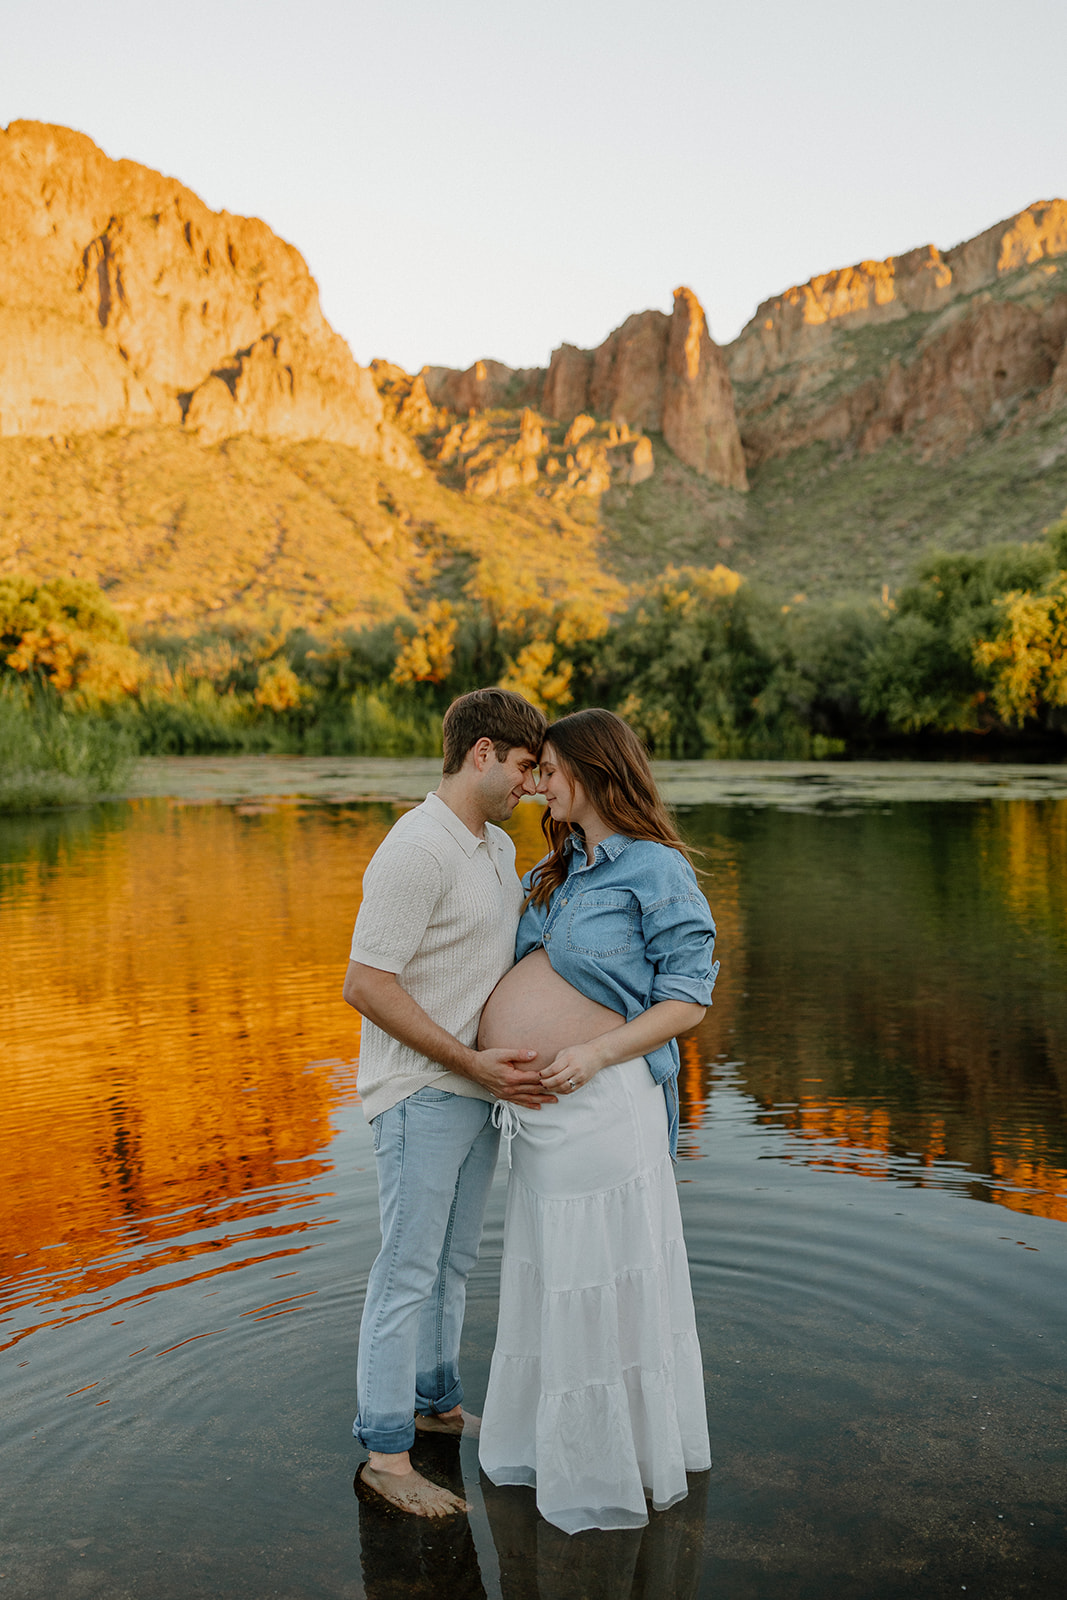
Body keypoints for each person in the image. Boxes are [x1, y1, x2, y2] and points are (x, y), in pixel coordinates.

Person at [477, 707, 718, 1534]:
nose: (538, 783)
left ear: (591, 771)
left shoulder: (654, 870)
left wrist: (596, 1055)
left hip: (605, 1104)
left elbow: (687, 999)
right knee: (553, 1278)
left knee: (600, 1276)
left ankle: (609, 1469)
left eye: (548, 769)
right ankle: (559, 1450)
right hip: (543, 1119)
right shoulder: (559, 867)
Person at [343, 686, 549, 1518]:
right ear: (481, 754)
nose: (531, 785)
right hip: (422, 1093)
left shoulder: (494, 848)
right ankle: (386, 1454)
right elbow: (364, 983)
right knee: (405, 1271)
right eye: (526, 767)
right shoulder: (416, 848)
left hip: (477, 1092)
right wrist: (469, 1060)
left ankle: (437, 1404)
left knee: (453, 1265)